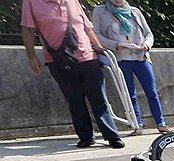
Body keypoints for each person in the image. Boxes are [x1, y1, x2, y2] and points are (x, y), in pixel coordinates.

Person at [21, 0, 125, 148]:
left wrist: (101, 50)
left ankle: (112, 136)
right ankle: (86, 137)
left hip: (88, 56)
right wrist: (31, 56)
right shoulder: (32, 2)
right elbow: (27, 29)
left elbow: (87, 28)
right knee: (74, 100)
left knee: (99, 98)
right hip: (58, 58)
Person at [92, 0, 170, 137]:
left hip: (141, 56)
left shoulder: (134, 11)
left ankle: (161, 123)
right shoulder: (100, 11)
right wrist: (115, 44)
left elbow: (148, 33)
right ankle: (137, 125)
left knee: (152, 92)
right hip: (121, 58)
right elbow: (96, 35)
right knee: (129, 94)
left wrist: (147, 44)